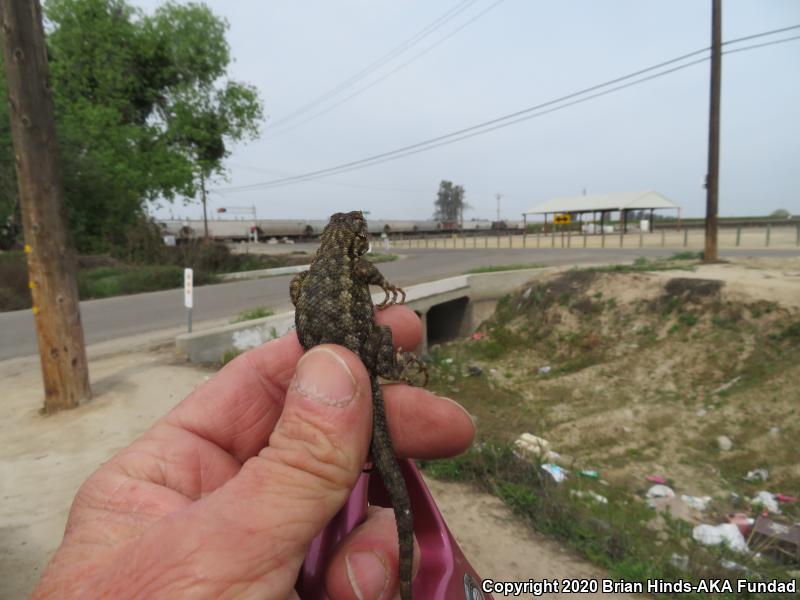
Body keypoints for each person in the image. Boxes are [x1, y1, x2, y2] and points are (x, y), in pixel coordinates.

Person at [30, 305, 475, 599]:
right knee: (392, 506)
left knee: (394, 507)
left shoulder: (321, 274)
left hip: (329, 340)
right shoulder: (353, 272)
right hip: (350, 357)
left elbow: (300, 293)